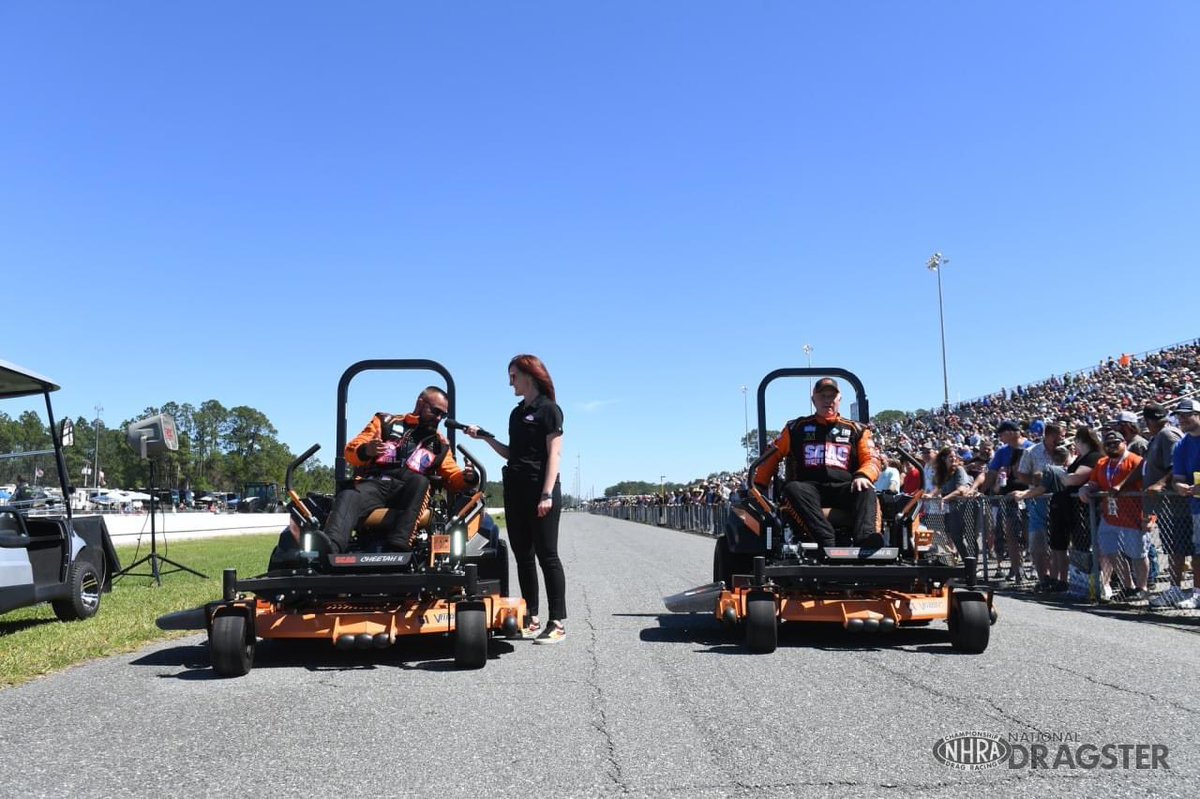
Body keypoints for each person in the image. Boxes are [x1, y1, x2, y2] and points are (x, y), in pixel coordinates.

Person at [466, 354, 566, 644]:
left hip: (540, 489)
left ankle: (556, 622)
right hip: (516, 488)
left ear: (529, 375)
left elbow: (554, 455)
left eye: (513, 377)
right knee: (523, 556)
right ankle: (532, 617)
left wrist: (547, 493)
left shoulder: (549, 410)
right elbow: (514, 454)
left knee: (547, 555)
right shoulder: (516, 413)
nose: (510, 383)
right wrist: (485, 438)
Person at [323, 387, 478, 554]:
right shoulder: (385, 422)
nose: (439, 418)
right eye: (435, 412)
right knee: (349, 494)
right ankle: (330, 548)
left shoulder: (439, 444)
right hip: (377, 484)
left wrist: (469, 477)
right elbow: (350, 452)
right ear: (420, 404)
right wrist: (367, 450)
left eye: (443, 415)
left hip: (410, 491)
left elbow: (452, 478)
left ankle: (398, 546)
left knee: (421, 481)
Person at [752, 377, 881, 551]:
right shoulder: (796, 428)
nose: (827, 400)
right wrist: (758, 486)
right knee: (792, 489)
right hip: (808, 490)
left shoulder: (857, 430)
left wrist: (863, 475)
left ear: (839, 399)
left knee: (866, 488)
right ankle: (826, 539)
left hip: (844, 488)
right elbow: (771, 456)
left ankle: (866, 540)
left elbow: (872, 459)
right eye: (822, 396)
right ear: (814, 400)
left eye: (832, 396)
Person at [1079, 429, 1148, 602]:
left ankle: (1142, 588)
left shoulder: (1136, 461)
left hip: (1133, 516)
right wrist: (1085, 488)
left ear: (1124, 443)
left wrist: (1151, 517)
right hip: (1110, 516)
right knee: (1111, 551)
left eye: (1115, 443)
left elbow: (1148, 488)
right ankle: (1128, 586)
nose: (1111, 446)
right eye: (1107, 444)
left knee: (1138, 554)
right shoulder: (1102, 463)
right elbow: (1093, 482)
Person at [1140, 402, 1186, 608]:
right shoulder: (1157, 437)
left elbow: (1177, 465)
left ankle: (1177, 589)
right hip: (1166, 504)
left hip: (1175, 502)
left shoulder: (1168, 435)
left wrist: (1160, 483)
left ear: (1149, 421)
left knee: (1177, 547)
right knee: (1172, 546)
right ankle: (1176, 588)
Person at [1168, 398, 1200, 609]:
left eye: (1186, 415)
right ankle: (1198, 593)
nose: (1182, 419)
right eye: (1179, 415)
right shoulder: (1182, 444)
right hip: (1197, 507)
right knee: (1199, 552)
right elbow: (1177, 477)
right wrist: (1179, 486)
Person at [929, 446, 975, 558]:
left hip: (966, 507)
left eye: (955, 457)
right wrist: (930, 495)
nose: (954, 459)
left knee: (968, 537)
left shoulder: (959, 470)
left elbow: (961, 490)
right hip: (953, 509)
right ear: (944, 459)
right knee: (954, 536)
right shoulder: (944, 473)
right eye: (951, 457)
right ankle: (965, 562)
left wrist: (945, 499)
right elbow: (940, 488)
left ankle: (971, 564)